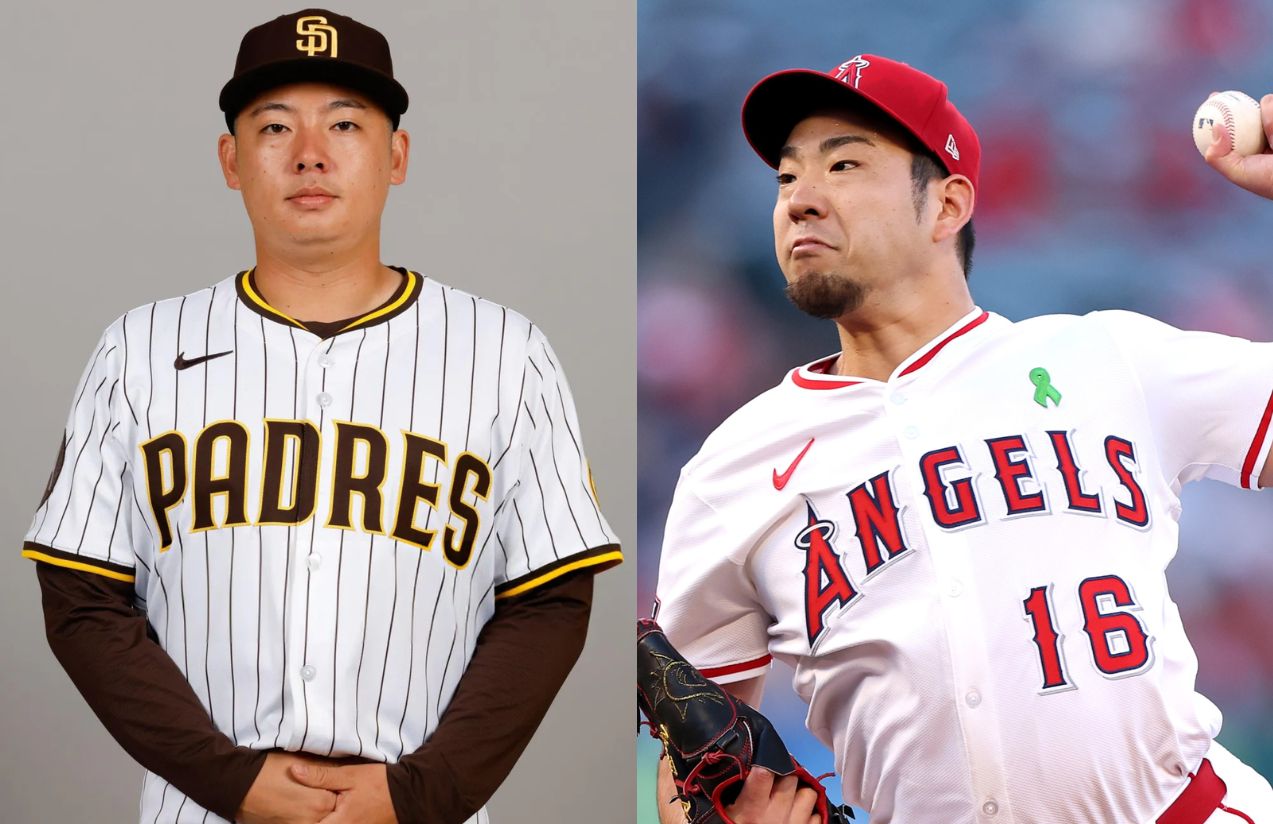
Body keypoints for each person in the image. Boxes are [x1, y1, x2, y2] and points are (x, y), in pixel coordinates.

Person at [22, 9, 621, 824]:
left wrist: (420, 793)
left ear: (396, 156)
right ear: (231, 160)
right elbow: (81, 599)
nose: (310, 152)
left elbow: (550, 601)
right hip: (204, 808)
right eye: (275, 126)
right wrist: (226, 780)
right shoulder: (138, 349)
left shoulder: (506, 353)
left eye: (345, 122)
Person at [653, 53, 1273, 824]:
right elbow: (696, 767)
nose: (799, 201)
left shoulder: (1105, 358)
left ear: (946, 206)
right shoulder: (731, 469)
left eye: (842, 165)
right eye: (785, 179)